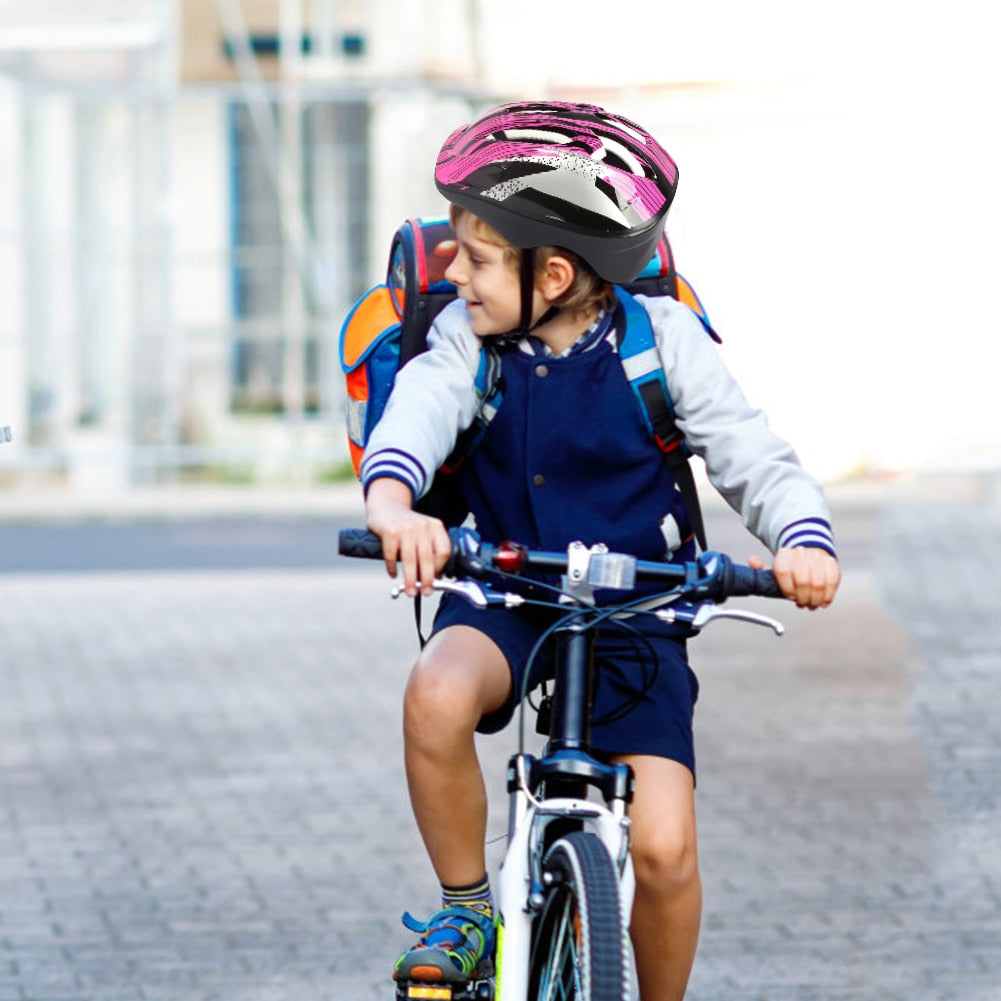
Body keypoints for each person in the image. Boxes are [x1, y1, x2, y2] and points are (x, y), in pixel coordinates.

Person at [361, 100, 840, 1001]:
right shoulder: (471, 345)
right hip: (503, 592)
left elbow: (751, 454)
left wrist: (800, 540)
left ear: (551, 272)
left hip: (636, 611)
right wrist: (395, 507)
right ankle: (466, 906)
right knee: (434, 694)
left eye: (475, 254)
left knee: (662, 848)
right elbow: (416, 415)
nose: (454, 271)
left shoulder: (662, 343)